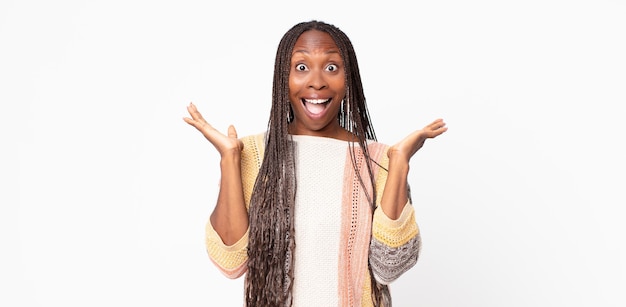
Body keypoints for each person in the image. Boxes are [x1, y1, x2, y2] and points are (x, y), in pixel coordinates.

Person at [183, 20, 447, 307]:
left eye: (331, 67)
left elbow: (389, 267)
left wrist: (399, 164)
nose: (317, 81)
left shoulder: (379, 160)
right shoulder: (255, 154)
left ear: (349, 81)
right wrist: (229, 160)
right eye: (301, 67)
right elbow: (231, 262)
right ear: (282, 79)